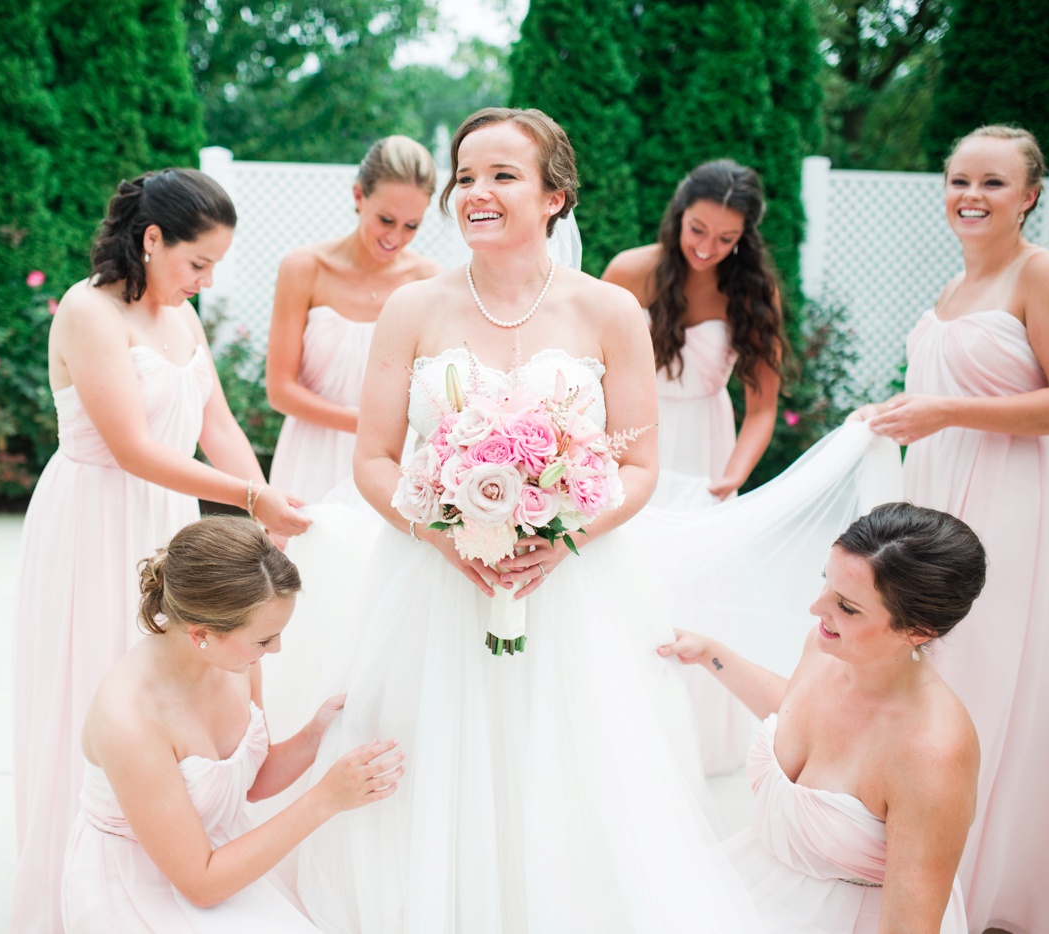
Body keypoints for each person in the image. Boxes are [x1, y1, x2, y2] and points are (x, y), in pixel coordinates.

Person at [290, 107, 759, 931]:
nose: (476, 191)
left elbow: (639, 465)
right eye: (466, 175)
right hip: (433, 582)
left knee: (564, 769)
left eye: (503, 175)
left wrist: (562, 540)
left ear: (555, 195)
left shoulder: (609, 312)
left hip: (573, 584)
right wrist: (441, 538)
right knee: (431, 760)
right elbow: (373, 459)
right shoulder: (413, 309)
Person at [10, 169, 311, 934]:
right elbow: (133, 448)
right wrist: (248, 500)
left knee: (180, 679)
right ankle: (70, 888)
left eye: (215, 266)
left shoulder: (183, 321)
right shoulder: (88, 311)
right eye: (197, 264)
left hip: (167, 520)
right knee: (96, 683)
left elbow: (220, 428)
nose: (206, 283)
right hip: (92, 517)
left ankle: (179, 856)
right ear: (151, 240)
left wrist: (267, 507)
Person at [857, 125, 1049, 934]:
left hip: (1017, 503)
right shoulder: (951, 288)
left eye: (991, 183)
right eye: (958, 181)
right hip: (944, 494)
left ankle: (1001, 879)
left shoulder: (1044, 274)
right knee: (943, 674)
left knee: (996, 679)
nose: (971, 197)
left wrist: (947, 410)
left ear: (1029, 196)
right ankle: (937, 870)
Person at [60, 516, 402, 932]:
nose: (276, 649)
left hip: (221, 858)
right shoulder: (130, 721)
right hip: (141, 886)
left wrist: (314, 736)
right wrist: (326, 798)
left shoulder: (235, 660)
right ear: (202, 633)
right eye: (263, 639)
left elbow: (250, 784)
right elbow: (199, 883)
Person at [660, 502, 987, 933]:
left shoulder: (932, 753)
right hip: (753, 885)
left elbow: (912, 923)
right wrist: (711, 655)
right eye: (824, 583)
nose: (816, 609)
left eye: (847, 607)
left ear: (918, 631)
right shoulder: (826, 646)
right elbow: (799, 713)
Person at [602, 159, 786, 509]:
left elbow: (762, 407)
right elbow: (589, 370)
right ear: (680, 214)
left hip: (706, 446)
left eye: (725, 238)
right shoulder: (629, 270)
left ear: (743, 236)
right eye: (697, 229)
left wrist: (733, 475)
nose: (706, 247)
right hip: (630, 436)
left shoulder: (754, 292)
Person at [265, 135, 440, 503]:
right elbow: (280, 390)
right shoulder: (304, 268)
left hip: (394, 461)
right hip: (310, 454)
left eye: (411, 226)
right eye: (386, 219)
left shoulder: (427, 281)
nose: (395, 237)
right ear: (359, 196)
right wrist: (369, 426)